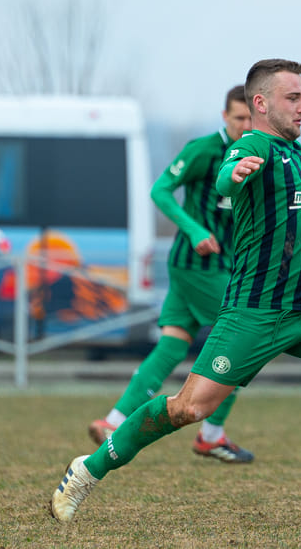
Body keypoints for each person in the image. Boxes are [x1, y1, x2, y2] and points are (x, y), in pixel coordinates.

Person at [51, 59, 301, 524]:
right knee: (188, 408)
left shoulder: (297, 152)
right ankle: (87, 470)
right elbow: (226, 177)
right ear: (261, 104)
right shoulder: (252, 144)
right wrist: (235, 173)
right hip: (256, 314)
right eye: (294, 97)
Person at [87, 85, 255, 463]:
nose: (245, 125)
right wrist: (194, 229)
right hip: (197, 265)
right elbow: (161, 190)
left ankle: (113, 421)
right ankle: (211, 435)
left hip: (212, 266)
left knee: (173, 345)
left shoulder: (254, 153)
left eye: (250, 118)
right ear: (225, 117)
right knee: (245, 341)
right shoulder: (204, 150)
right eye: (238, 118)